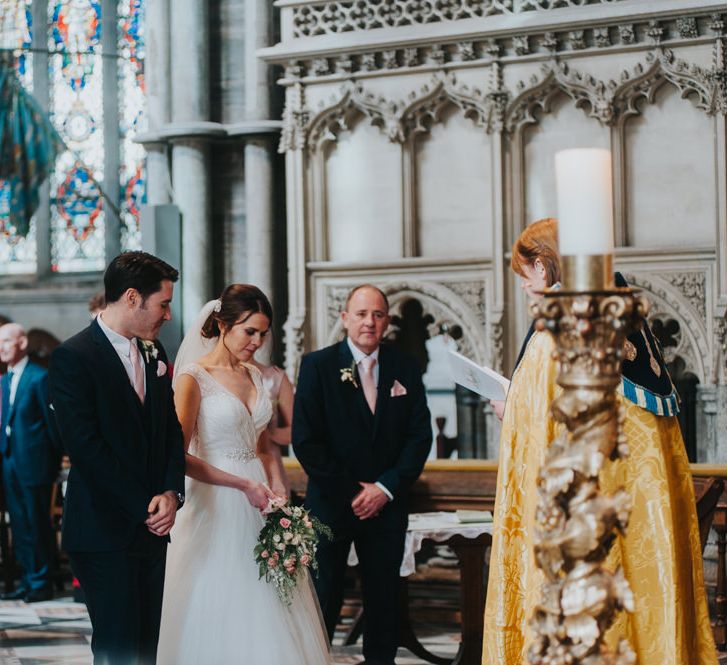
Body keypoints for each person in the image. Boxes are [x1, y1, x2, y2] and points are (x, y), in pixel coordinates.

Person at [482, 219, 716, 664]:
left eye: (525, 274)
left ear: (543, 265)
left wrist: (510, 408)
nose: (525, 288)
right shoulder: (624, 314)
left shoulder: (557, 333)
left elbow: (543, 423)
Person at [156, 284, 330, 665]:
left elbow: (264, 443)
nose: (257, 341)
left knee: (272, 595)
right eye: (249, 331)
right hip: (215, 500)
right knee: (224, 591)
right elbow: (177, 455)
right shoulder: (193, 377)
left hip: (260, 498)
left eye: (263, 334)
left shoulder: (254, 376)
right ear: (222, 324)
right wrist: (240, 483)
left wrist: (279, 488)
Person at [48, 251, 186, 665]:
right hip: (103, 529)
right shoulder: (74, 356)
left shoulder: (155, 353)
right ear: (131, 298)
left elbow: (171, 431)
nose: (167, 314)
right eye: (163, 304)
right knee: (118, 647)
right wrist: (143, 505)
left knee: (147, 644)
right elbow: (86, 447)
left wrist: (171, 491)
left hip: (152, 527)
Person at [293, 284, 433, 665]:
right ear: (345, 318)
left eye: (378, 315)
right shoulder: (317, 366)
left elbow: (420, 436)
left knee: (384, 600)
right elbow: (305, 441)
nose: (369, 322)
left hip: (386, 506)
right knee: (324, 596)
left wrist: (385, 488)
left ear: (387, 320)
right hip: (333, 504)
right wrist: (354, 493)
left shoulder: (405, 366)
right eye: (361, 314)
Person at [0, 323, 61, 602]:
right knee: (21, 523)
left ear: (22, 343)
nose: (1, 347)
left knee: (37, 522)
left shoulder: (39, 377)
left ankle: (42, 581)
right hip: (10, 459)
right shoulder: (4, 380)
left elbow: (53, 425)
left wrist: (53, 461)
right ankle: (27, 578)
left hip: (35, 462)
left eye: (7, 341)